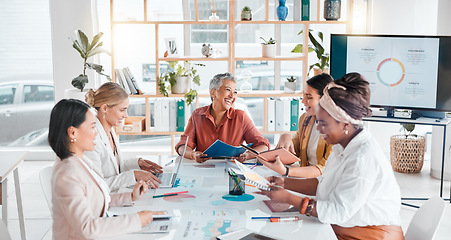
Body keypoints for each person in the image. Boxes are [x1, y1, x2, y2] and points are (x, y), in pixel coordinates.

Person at [257, 73, 403, 239]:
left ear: (345, 124)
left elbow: (338, 212)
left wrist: (290, 198)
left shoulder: (363, 158)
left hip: (367, 235)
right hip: (338, 227)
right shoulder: (342, 147)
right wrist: (284, 183)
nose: (318, 129)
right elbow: (321, 183)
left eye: (324, 123)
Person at [49, 99, 165, 239]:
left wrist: (130, 197)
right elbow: (88, 228)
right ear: (73, 133)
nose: (96, 133)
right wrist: (137, 220)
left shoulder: (80, 162)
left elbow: (95, 201)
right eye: (92, 127)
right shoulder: (67, 174)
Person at [175, 72, 270, 163]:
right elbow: (182, 147)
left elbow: (263, 146)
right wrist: (193, 155)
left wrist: (247, 155)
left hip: (231, 170)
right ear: (213, 93)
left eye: (235, 92)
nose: (232, 96)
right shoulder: (197, 115)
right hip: (204, 168)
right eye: (228, 90)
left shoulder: (241, 117)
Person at [84, 82, 162, 192]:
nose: (126, 115)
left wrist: (137, 163)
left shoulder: (110, 130)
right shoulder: (92, 138)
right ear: (105, 108)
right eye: (122, 110)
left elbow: (114, 168)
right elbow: (97, 185)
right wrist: (134, 175)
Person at [260, 73, 333, 178]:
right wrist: (286, 136)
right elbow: (295, 151)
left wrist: (286, 171)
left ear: (325, 99)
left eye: (309, 97)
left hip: (322, 182)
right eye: (303, 95)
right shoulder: (306, 119)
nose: (303, 101)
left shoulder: (336, 128)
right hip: (303, 179)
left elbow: (324, 169)